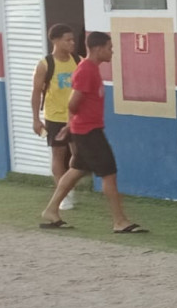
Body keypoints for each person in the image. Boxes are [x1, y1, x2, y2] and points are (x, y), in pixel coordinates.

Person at [39, 31, 147, 234]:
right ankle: (120, 221)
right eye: (109, 48)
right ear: (98, 49)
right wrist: (71, 126)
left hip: (87, 130)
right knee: (109, 174)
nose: (112, 52)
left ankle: (51, 211)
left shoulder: (91, 69)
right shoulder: (86, 70)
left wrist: (71, 126)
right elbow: (73, 103)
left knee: (76, 170)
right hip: (89, 132)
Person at [30, 23, 81, 210]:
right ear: (55, 41)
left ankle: (69, 185)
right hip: (55, 117)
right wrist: (36, 119)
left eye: (73, 39)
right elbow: (36, 92)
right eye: (67, 40)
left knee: (78, 155)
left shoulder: (78, 61)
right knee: (58, 155)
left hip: (75, 117)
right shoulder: (45, 65)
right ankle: (63, 194)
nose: (72, 43)